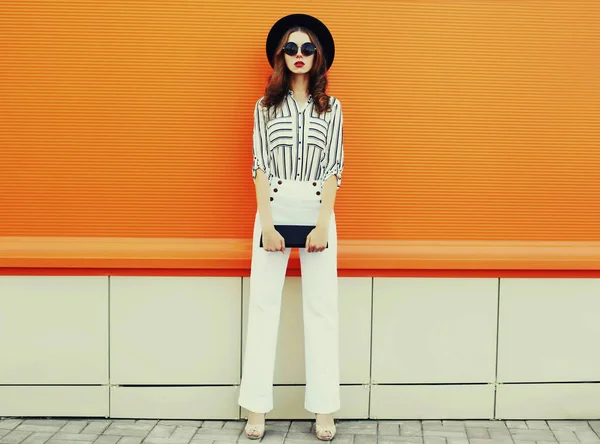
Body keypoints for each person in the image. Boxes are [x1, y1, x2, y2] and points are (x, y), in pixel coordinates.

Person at [238, 13, 344, 441]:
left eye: (307, 49)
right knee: (264, 307)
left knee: (322, 309)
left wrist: (322, 225)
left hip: (317, 207)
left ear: (317, 56)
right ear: (281, 55)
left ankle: (323, 410)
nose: (299, 56)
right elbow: (259, 166)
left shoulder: (331, 107)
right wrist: (267, 224)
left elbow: (335, 167)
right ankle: (257, 409)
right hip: (274, 206)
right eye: (291, 48)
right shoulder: (264, 107)